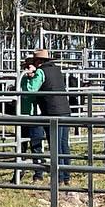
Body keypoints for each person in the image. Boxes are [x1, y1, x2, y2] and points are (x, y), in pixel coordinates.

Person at [29, 48, 71, 185]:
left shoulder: (41, 72)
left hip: (52, 111)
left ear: (38, 61)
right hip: (64, 110)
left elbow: (32, 89)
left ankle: (58, 177)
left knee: (55, 145)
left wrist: (30, 76)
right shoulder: (57, 70)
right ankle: (66, 176)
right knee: (63, 144)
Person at [19, 55, 46, 168]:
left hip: (35, 115)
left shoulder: (39, 77)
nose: (27, 69)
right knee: (21, 144)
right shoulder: (23, 78)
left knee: (36, 144)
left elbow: (31, 89)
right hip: (23, 114)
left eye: (30, 66)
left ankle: (38, 171)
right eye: (26, 66)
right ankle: (20, 169)